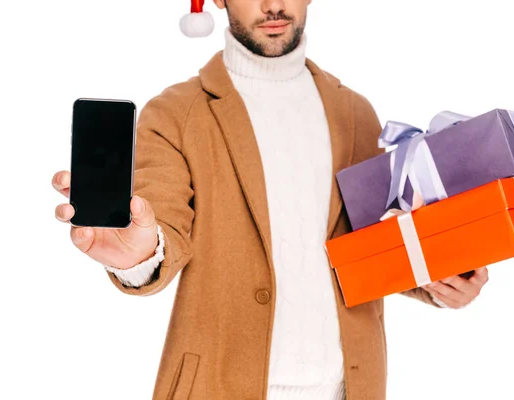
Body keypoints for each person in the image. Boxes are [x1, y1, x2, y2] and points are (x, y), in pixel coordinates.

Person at [52, 1, 489, 398]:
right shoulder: (175, 113)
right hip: (218, 387)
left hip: (349, 387)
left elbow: (375, 244)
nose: (274, 5)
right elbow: (161, 224)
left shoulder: (355, 113)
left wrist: (445, 280)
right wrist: (137, 253)